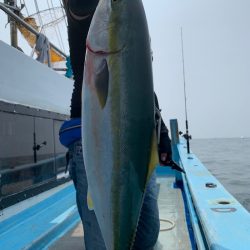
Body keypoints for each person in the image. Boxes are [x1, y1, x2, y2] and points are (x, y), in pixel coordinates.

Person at [59, 1, 172, 249]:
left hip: (138, 144)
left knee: (146, 236)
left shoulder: (128, 21)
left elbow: (138, 88)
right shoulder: (90, 9)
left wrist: (161, 131)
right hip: (96, 141)